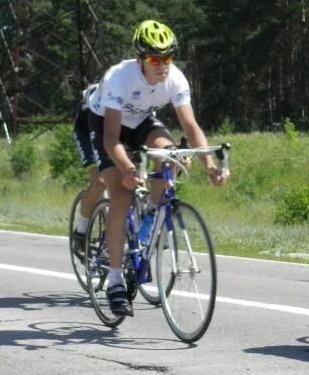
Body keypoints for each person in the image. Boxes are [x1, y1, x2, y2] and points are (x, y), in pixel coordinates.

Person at [87, 20, 227, 317]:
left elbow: (191, 126)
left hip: (140, 121)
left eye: (167, 58)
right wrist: (126, 168)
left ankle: (151, 212)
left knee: (169, 152)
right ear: (141, 59)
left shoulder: (175, 78)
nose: (162, 65)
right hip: (106, 127)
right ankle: (114, 280)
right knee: (121, 194)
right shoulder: (119, 79)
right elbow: (112, 139)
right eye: (154, 59)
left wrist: (211, 166)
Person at [69, 83, 103, 258]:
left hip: (110, 131)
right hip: (86, 133)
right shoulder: (100, 98)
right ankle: (80, 233)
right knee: (99, 181)